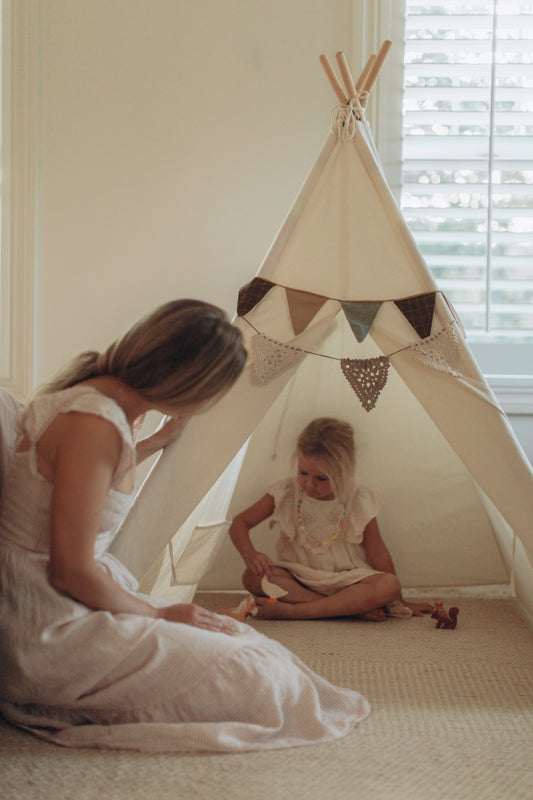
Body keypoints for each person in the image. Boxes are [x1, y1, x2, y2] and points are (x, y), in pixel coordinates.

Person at [0, 301, 371, 752]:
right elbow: (70, 572)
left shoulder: (95, 400)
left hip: (56, 602)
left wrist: (155, 441)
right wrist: (158, 612)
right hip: (51, 625)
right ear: (191, 383)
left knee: (248, 645)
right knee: (259, 677)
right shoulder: (93, 421)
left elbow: (75, 481)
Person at [230, 417, 434, 622]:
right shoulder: (286, 492)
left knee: (389, 585)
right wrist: (250, 555)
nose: (309, 483)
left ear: (344, 471)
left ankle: (295, 611)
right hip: (299, 579)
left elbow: (377, 551)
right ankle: (346, 608)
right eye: (303, 473)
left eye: (321, 478)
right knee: (253, 577)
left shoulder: (358, 499)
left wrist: (399, 600)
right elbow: (240, 523)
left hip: (349, 581)